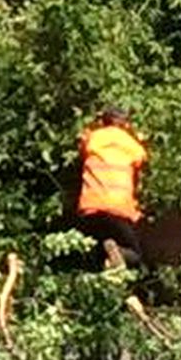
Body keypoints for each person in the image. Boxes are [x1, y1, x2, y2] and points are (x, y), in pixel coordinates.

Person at [76, 106, 148, 268]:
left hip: (91, 207)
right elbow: (141, 159)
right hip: (118, 209)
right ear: (125, 124)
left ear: (103, 122)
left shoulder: (93, 138)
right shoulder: (132, 145)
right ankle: (119, 254)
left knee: (93, 254)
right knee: (135, 254)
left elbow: (82, 147)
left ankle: (108, 260)